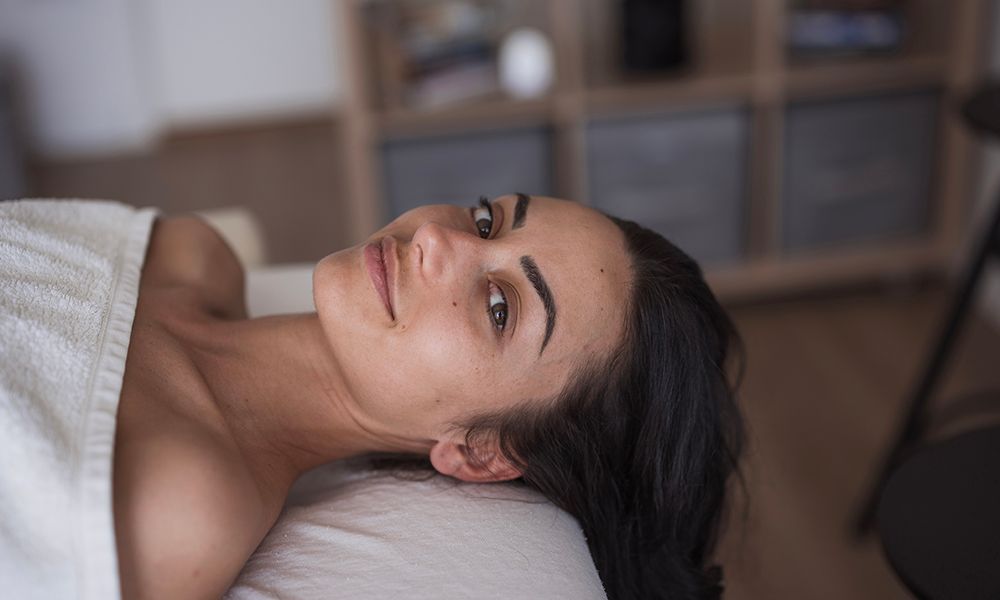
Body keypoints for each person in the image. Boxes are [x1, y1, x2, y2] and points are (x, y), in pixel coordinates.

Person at [64, 193, 742, 599]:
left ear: (479, 454)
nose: (434, 238)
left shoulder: (180, 504)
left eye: (500, 307)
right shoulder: (187, 251)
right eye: (486, 221)